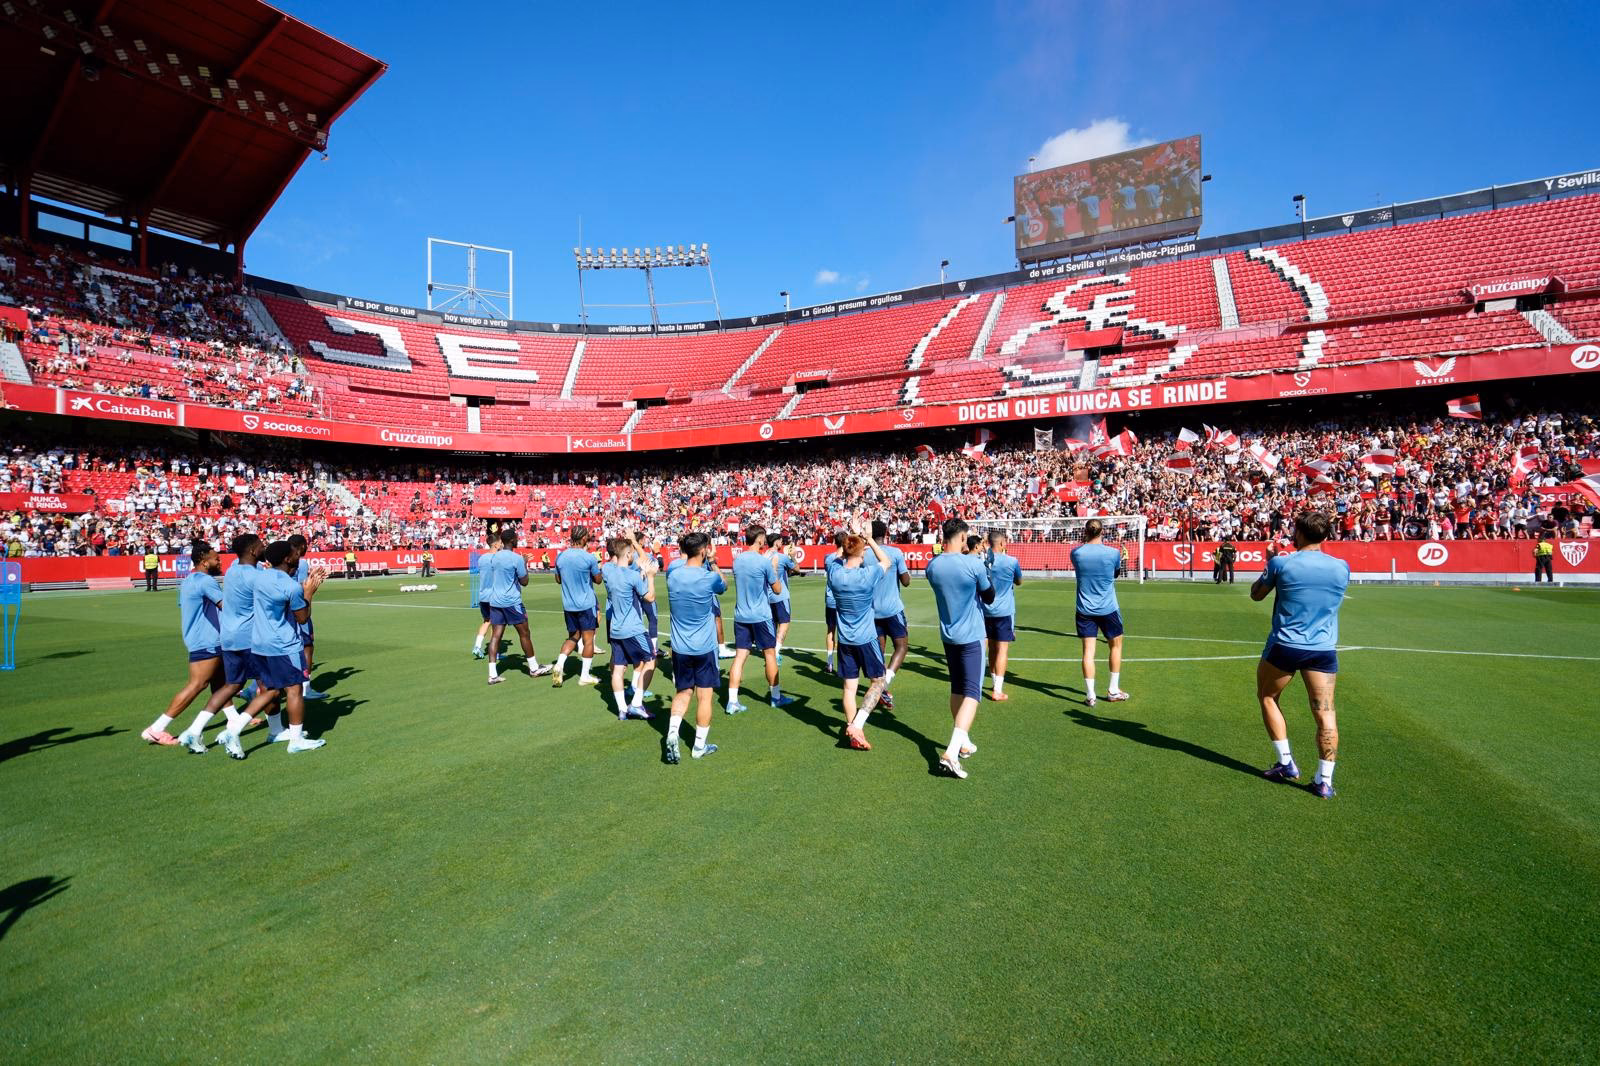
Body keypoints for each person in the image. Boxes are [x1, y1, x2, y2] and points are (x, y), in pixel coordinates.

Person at [1250, 511, 1349, 799]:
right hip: (1323, 649)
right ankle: (1324, 781)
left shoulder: (1282, 563)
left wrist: (1270, 562)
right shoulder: (1341, 567)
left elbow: (1257, 594)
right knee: (1325, 713)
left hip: (1286, 645)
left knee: (1268, 697)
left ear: (1299, 533)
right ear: (1326, 536)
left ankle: (1285, 762)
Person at [142, 541, 246, 751]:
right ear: (204, 562)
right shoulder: (206, 581)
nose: (220, 561)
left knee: (220, 681)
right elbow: (226, 607)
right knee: (197, 684)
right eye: (216, 558)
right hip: (206, 640)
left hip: (201, 638)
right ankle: (156, 728)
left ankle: (233, 718)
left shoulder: (189, 580)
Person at [233, 540, 327, 755]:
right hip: (284, 644)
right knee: (294, 690)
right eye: (295, 553)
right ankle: (296, 740)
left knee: (269, 690)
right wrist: (309, 593)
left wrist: (303, 586)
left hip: (259, 643)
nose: (298, 556)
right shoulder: (290, 586)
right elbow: (302, 618)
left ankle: (271, 731)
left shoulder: (260, 577)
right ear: (287, 558)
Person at [924, 517, 994, 780]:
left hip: (949, 636)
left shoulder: (933, 566)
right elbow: (989, 596)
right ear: (963, 537)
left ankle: (962, 742)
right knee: (973, 693)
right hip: (972, 636)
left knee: (957, 688)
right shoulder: (973, 564)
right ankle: (951, 753)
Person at [828, 522, 892, 750]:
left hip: (845, 640)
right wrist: (869, 539)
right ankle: (857, 725)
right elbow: (886, 561)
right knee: (878, 682)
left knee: (849, 688)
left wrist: (852, 538)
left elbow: (836, 558)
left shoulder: (834, 573)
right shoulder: (867, 574)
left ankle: (853, 730)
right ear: (862, 552)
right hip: (866, 638)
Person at [663, 532, 727, 763]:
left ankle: (672, 732)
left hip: (680, 646)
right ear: (703, 551)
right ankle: (699, 746)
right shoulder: (709, 577)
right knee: (705, 696)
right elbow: (724, 585)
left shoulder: (673, 576)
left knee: (683, 692)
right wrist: (714, 562)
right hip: (704, 646)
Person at [727, 524, 794, 713]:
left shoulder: (737, 560)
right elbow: (777, 589)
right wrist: (774, 570)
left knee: (740, 656)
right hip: (761, 616)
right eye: (763, 537)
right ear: (759, 539)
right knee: (769, 654)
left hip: (741, 615)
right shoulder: (764, 562)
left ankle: (732, 701)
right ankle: (776, 697)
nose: (765, 540)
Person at [211, 532, 266, 757]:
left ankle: (194, 729)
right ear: (252, 550)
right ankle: (234, 730)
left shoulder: (232, 570)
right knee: (269, 687)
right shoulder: (257, 576)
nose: (264, 547)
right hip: (249, 637)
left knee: (231, 685)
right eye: (261, 545)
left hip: (229, 636)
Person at [483, 527, 552, 684]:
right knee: (524, 633)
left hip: (495, 601)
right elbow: (524, 581)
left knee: (496, 636)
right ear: (512, 540)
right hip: (511, 602)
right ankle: (534, 668)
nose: (518, 539)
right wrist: (524, 563)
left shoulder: (494, 557)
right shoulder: (517, 559)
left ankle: (492, 674)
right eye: (516, 538)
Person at [1070, 520, 1128, 707]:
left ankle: (1090, 695)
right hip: (1108, 607)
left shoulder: (1076, 553)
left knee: (1088, 652)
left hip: (1084, 609)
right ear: (1102, 531)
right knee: (1116, 647)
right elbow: (1115, 574)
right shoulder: (1113, 553)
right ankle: (1113, 690)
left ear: (1085, 531)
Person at [601, 536, 657, 720]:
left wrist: (640, 573)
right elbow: (650, 597)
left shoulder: (608, 573)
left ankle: (622, 709)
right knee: (651, 661)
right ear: (627, 554)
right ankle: (637, 703)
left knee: (618, 669)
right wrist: (650, 576)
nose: (633, 555)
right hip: (633, 628)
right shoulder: (631, 576)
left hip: (615, 629)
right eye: (631, 553)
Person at [551, 525, 603, 687]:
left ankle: (559, 664)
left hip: (569, 605)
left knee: (573, 637)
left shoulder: (561, 557)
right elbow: (598, 580)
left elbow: (558, 580)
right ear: (583, 538)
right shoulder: (589, 558)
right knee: (588, 640)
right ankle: (584, 676)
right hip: (586, 604)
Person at [869, 519, 911, 709]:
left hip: (872, 611)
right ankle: (883, 685)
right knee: (901, 647)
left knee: (879, 651)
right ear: (886, 533)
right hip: (893, 609)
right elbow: (906, 581)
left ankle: (880, 688)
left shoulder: (864, 554)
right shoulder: (895, 552)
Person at [982, 530, 1023, 701]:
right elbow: (1019, 581)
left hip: (985, 610)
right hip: (1004, 611)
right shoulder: (1011, 561)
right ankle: (997, 690)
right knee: (1002, 649)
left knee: (991, 647)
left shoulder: (983, 561)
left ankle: (993, 683)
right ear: (1001, 543)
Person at [287, 534, 327, 700]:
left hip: (282, 610)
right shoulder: (301, 562)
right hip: (298, 607)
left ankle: (255, 688)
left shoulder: (282, 561)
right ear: (302, 546)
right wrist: (314, 580)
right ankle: (306, 688)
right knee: (307, 646)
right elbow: (304, 586)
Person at [766, 532, 800, 663]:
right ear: (776, 542)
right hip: (780, 595)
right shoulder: (781, 557)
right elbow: (797, 569)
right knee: (784, 623)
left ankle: (770, 650)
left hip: (767, 596)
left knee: (772, 623)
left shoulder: (763, 556)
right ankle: (776, 651)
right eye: (780, 541)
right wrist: (793, 557)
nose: (782, 543)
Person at [471, 534, 497, 659]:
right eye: (500, 542)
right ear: (495, 544)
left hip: (483, 595)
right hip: (494, 595)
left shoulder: (481, 558)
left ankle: (477, 646)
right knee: (496, 624)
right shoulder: (497, 558)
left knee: (487, 621)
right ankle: (494, 651)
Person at [823, 531, 845, 672]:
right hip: (843, 599)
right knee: (844, 631)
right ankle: (842, 663)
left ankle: (830, 662)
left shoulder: (828, 558)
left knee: (831, 630)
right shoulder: (848, 558)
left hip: (831, 599)